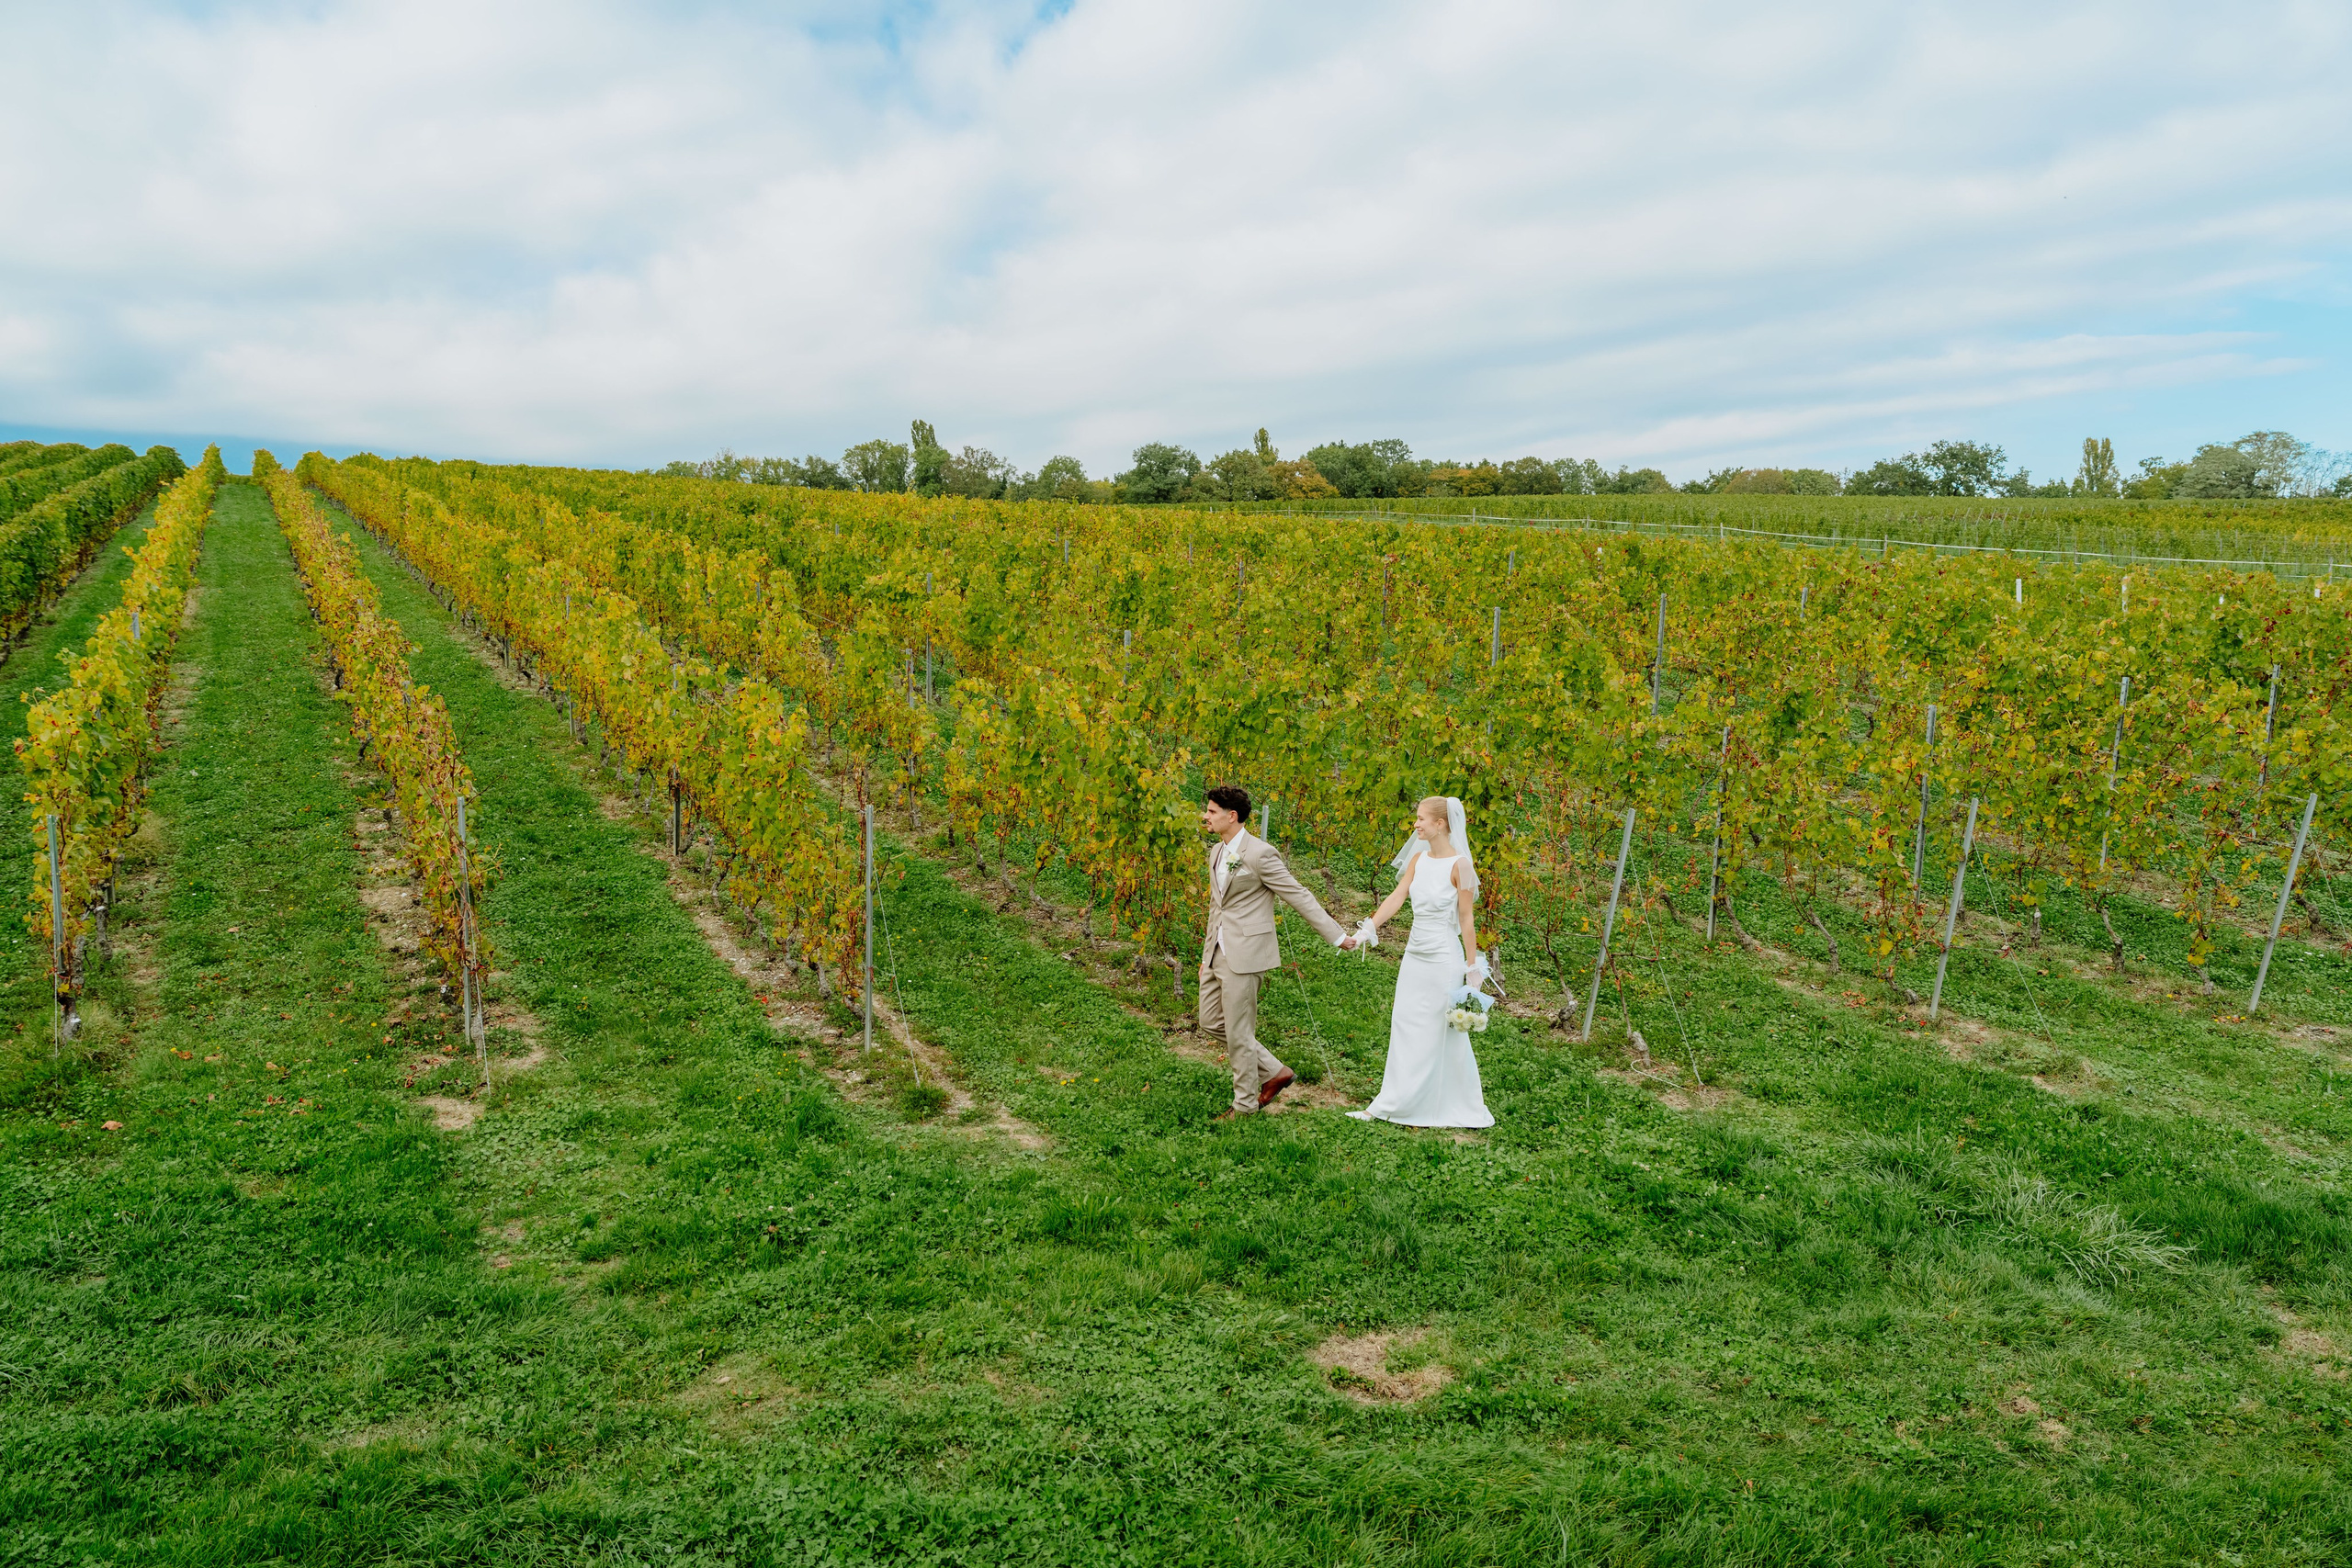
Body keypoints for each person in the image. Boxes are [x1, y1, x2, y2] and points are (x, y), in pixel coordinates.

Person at [1197, 784, 1355, 1119]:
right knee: (1210, 1021)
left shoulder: (1260, 854)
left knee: (1240, 1034)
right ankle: (1275, 1071)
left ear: (1232, 816)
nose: (1205, 817)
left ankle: (1244, 1107)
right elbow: (1218, 905)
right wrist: (1207, 949)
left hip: (1246, 953)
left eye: (1211, 812)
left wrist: (1336, 935)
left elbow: (1297, 894)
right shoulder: (1216, 851)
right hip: (1216, 951)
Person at [1349, 795, 1495, 1129]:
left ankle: (1452, 1104)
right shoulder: (1418, 859)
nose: (1415, 825)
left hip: (1444, 958)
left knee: (1441, 1030)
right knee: (1404, 1023)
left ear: (1440, 824)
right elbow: (1397, 897)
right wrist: (1368, 930)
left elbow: (1467, 919)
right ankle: (1391, 1102)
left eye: (1421, 819)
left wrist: (1472, 968)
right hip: (1414, 956)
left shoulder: (1461, 865)